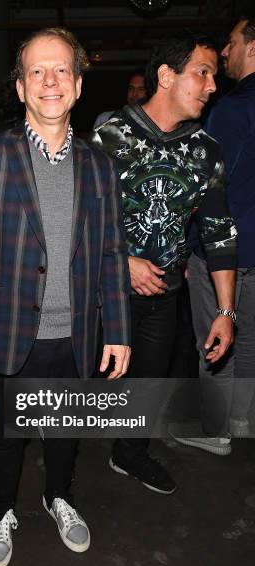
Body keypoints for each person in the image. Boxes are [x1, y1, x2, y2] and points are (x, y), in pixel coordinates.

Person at [0, 27, 131, 566]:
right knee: (8, 437)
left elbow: (111, 253)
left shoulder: (101, 165)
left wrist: (117, 328)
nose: (49, 81)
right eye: (36, 72)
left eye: (61, 72)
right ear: (23, 87)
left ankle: (60, 499)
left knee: (64, 432)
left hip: (77, 333)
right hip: (8, 328)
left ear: (77, 86)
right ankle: (1, 511)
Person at [93, 31, 237, 494]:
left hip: (163, 296)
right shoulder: (108, 136)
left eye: (213, 73)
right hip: (99, 292)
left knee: (149, 381)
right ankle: (60, 468)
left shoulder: (206, 151)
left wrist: (225, 312)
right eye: (202, 72)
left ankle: (129, 454)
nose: (212, 84)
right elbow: (74, 219)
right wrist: (122, 261)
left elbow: (218, 233)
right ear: (166, 76)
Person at [171, 13, 255, 453]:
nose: (226, 52)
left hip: (225, 249)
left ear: (252, 47)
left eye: (232, 43)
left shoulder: (231, 108)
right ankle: (240, 420)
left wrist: (187, 247)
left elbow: (208, 187)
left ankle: (216, 430)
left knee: (216, 338)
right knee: (248, 341)